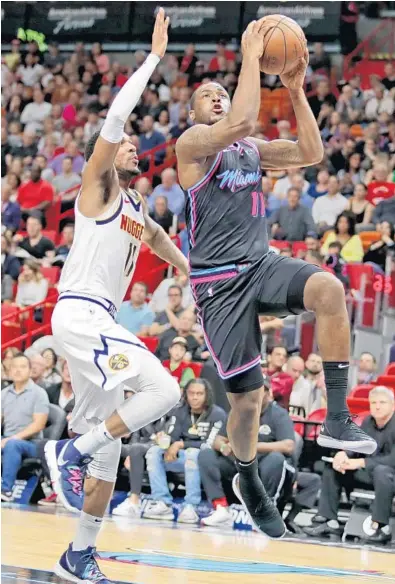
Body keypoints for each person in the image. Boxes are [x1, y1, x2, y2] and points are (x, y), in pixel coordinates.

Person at [176, 20, 376, 539]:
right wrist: (248, 57)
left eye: (222, 93)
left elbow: (311, 152)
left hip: (260, 264)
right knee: (246, 401)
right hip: (217, 283)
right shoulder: (194, 145)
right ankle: (245, 476)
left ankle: (336, 415)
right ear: (191, 112)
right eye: (207, 94)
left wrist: (293, 87)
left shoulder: (251, 149)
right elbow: (240, 122)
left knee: (330, 289)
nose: (217, 98)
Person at [42, 12, 187, 584]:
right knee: (165, 387)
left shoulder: (135, 208)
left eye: (131, 147)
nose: (131, 148)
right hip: (79, 311)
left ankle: (79, 555)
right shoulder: (98, 183)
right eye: (125, 145)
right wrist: (152, 59)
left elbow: (154, 237)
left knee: (109, 453)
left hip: (93, 321)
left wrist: (189, 273)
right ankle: (70, 453)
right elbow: (117, 117)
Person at [199, 379, 295, 527]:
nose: (253, 395)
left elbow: (288, 445)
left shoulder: (278, 414)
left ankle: (264, 512)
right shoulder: (238, 411)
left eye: (258, 391)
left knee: (276, 459)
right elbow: (217, 439)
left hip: (263, 461)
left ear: (268, 394)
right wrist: (224, 447)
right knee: (206, 454)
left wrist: (252, 447)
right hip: (238, 461)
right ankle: (221, 507)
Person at [305, 386, 395, 544]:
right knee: (333, 466)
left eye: (382, 402)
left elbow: (392, 460)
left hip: (389, 476)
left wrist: (360, 462)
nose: (377, 406)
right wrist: (343, 454)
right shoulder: (368, 421)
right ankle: (328, 521)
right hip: (371, 473)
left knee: (382, 472)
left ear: (393, 405)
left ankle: (381, 527)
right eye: (373, 402)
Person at [144, 378, 227, 523]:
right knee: (154, 452)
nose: (195, 397)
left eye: (199, 394)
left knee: (192, 453)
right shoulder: (179, 412)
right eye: (191, 393)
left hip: (205, 461)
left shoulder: (217, 414)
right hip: (180, 458)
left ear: (207, 395)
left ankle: (190, 506)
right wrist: (164, 440)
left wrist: (181, 444)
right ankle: (162, 503)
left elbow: (209, 444)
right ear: (186, 394)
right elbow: (173, 437)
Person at [1, 353, 50, 502]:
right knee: (10, 443)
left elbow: (39, 424)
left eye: (22, 367)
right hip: (8, 439)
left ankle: (6, 491)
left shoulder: (39, 393)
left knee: (12, 444)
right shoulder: (3, 394)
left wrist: (12, 438)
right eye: (14, 367)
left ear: (30, 370)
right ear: (9, 371)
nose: (17, 370)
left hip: (32, 443)